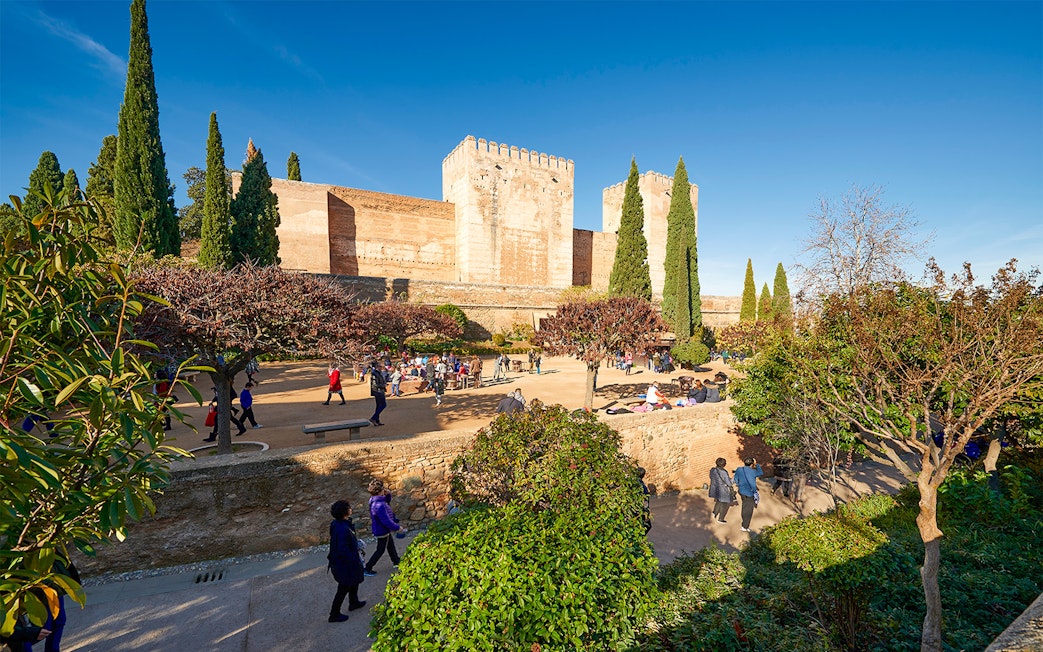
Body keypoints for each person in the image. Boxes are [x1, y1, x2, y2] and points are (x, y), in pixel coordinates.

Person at [326, 500, 367, 622]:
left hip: (342, 561)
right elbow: (342, 549)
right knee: (343, 587)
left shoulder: (337, 524)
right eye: (349, 507)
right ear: (345, 512)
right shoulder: (343, 528)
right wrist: (354, 559)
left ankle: (353, 602)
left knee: (354, 581)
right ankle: (334, 614)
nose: (351, 509)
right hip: (344, 563)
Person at [364, 480, 406, 575]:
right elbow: (386, 521)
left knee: (390, 545)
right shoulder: (378, 505)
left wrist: (388, 494)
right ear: (380, 490)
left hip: (383, 530)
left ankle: (396, 561)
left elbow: (387, 501)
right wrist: (397, 528)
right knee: (380, 550)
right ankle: (368, 567)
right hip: (382, 530)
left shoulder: (376, 500)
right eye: (383, 488)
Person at [734, 457, 764, 532]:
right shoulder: (753, 472)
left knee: (745, 505)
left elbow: (735, 479)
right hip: (749, 493)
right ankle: (745, 526)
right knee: (748, 510)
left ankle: (744, 520)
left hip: (741, 491)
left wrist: (739, 484)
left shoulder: (739, 469)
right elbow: (761, 473)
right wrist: (756, 464)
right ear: (751, 464)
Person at [708, 458, 734, 523]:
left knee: (718, 500)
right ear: (724, 464)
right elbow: (729, 483)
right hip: (722, 490)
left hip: (715, 488)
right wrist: (734, 478)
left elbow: (711, 477)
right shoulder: (724, 472)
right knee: (724, 504)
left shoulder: (712, 470)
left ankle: (714, 513)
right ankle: (721, 519)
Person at [369, 362, 387, 426]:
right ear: (377, 367)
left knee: (378, 406)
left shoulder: (378, 373)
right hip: (378, 391)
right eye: (380, 366)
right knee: (383, 405)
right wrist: (383, 385)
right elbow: (375, 384)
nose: (381, 368)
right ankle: (373, 418)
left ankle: (377, 420)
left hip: (379, 391)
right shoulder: (374, 374)